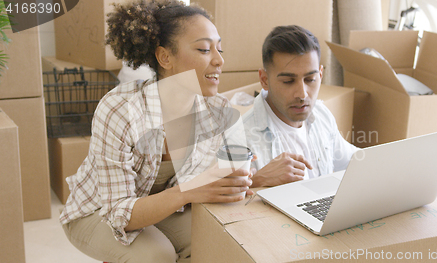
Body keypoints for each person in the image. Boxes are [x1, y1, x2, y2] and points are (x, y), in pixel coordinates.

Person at [59, 1, 252, 262]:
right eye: (205, 49)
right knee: (157, 255)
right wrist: (192, 189)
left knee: (221, 238)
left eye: (219, 49)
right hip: (98, 211)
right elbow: (118, 212)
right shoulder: (120, 110)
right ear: (165, 57)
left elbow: (219, 176)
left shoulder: (216, 111)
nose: (220, 60)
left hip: (166, 205)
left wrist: (242, 179)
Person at [242, 25, 359, 188]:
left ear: (320, 74)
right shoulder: (241, 137)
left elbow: (352, 160)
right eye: (288, 81)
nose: (302, 94)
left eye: (310, 79)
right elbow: (221, 206)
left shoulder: (321, 115)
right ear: (264, 80)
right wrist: (257, 182)